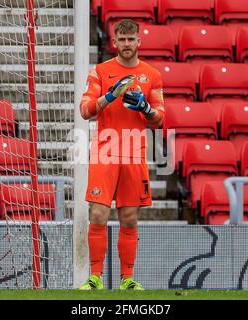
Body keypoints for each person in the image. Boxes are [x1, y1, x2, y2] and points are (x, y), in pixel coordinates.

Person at [78, 19, 164, 290]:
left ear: (139, 41)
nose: (127, 44)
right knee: (98, 215)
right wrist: (110, 96)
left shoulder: (152, 75)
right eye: (122, 39)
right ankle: (95, 279)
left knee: (129, 218)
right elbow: (85, 109)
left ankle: (127, 279)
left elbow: (159, 118)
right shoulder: (101, 72)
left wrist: (146, 108)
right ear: (114, 42)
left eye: (131, 39)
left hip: (134, 154)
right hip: (105, 152)